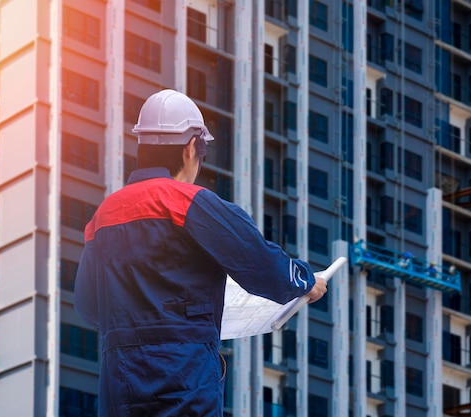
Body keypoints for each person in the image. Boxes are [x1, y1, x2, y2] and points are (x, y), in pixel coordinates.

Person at [74, 89, 328, 417]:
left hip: (119, 384)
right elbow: (261, 264)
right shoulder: (190, 202)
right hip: (182, 377)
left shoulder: (103, 216)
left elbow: (88, 306)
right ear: (192, 148)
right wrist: (307, 281)